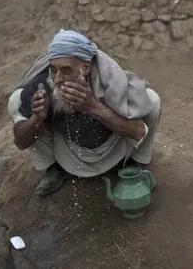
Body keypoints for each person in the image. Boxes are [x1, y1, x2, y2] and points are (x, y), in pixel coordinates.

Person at [8, 29, 162, 197]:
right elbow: (21, 143)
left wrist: (93, 107)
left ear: (85, 68)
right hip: (66, 153)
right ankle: (54, 168)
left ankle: (135, 163)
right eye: (53, 70)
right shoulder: (43, 85)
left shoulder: (110, 83)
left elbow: (139, 132)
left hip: (114, 150)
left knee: (152, 100)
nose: (58, 79)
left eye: (66, 71)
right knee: (16, 101)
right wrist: (37, 118)